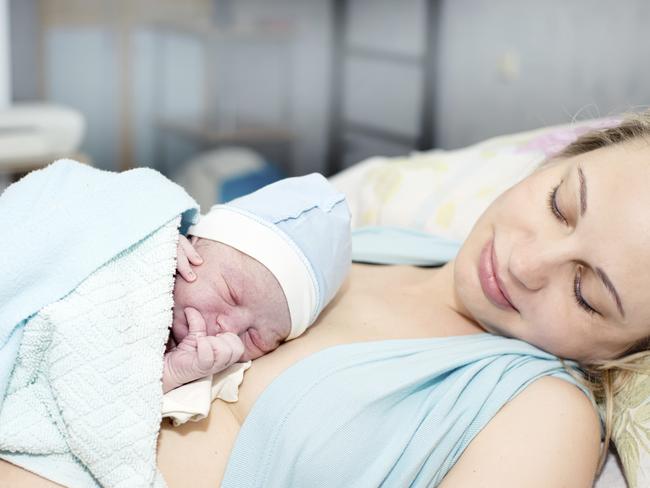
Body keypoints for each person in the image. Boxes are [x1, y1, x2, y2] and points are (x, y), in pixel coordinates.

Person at [4, 114, 650, 486]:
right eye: (561, 203)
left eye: (588, 293)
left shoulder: (541, 415)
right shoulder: (371, 239)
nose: (525, 263)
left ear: (633, 347)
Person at [161, 173, 351, 402]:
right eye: (230, 293)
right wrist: (153, 241)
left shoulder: (191, 365)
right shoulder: (155, 242)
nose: (228, 328)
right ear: (194, 242)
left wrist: (169, 373)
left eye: (254, 339)